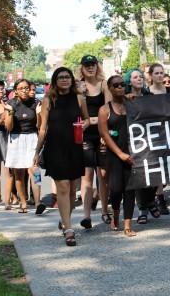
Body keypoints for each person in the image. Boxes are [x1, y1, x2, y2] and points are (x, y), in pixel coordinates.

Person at [34, 67, 89, 246]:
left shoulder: (79, 98)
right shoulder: (48, 99)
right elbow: (43, 128)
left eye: (67, 77)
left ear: (72, 80)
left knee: (73, 190)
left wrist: (83, 126)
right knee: (63, 188)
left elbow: (87, 118)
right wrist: (37, 151)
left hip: (74, 146)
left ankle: (65, 219)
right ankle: (69, 229)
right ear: (55, 80)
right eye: (61, 77)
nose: (65, 80)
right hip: (55, 147)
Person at [98, 75, 137, 237]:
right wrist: (120, 154)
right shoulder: (104, 110)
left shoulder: (132, 104)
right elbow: (105, 135)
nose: (120, 87)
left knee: (130, 189)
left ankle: (128, 223)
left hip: (133, 152)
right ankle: (115, 213)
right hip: (114, 155)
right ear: (110, 88)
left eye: (123, 84)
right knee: (115, 189)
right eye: (116, 85)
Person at [76, 55, 112, 229]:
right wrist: (79, 93)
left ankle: (105, 210)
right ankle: (86, 215)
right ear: (81, 68)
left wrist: (92, 120)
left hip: (102, 135)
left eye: (93, 65)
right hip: (85, 136)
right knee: (87, 176)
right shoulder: (77, 86)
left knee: (103, 175)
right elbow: (75, 113)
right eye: (87, 65)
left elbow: (108, 111)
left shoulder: (104, 84)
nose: (90, 68)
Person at [4, 79, 46, 214]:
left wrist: (39, 114)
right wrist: (10, 113)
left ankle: (38, 202)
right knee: (19, 174)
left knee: (35, 170)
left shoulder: (35, 103)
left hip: (32, 137)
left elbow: (39, 126)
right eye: (21, 88)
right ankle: (23, 202)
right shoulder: (11, 104)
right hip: (16, 139)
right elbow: (8, 127)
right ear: (16, 90)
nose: (24, 90)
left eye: (27, 88)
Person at [125, 68, 160, 224]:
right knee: (139, 174)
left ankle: (151, 200)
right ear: (129, 81)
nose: (139, 79)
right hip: (134, 141)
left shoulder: (150, 97)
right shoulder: (125, 98)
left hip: (151, 140)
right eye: (135, 77)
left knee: (157, 173)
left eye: (140, 76)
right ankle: (143, 210)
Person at [148, 63, 170, 215]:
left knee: (167, 167)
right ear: (151, 76)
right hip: (154, 134)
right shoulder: (147, 93)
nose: (159, 75)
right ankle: (160, 198)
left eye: (161, 73)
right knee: (158, 167)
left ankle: (156, 195)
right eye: (156, 73)